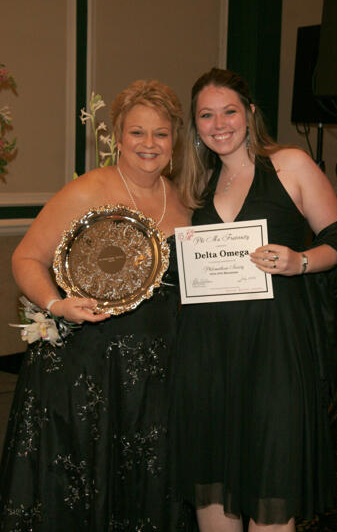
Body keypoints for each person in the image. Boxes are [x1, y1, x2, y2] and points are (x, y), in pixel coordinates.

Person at [169, 67, 337, 532]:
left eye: (229, 111)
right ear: (196, 127)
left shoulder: (290, 164)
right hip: (209, 358)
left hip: (275, 356)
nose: (219, 124)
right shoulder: (194, 188)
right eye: (206, 116)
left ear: (251, 113)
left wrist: (301, 261)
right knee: (211, 496)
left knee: (273, 501)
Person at [0, 80, 196, 531]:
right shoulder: (90, 190)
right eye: (137, 132)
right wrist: (57, 304)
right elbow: (25, 257)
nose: (149, 144)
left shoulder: (185, 203)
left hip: (155, 375)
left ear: (175, 140)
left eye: (161, 134)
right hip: (87, 367)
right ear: (118, 136)